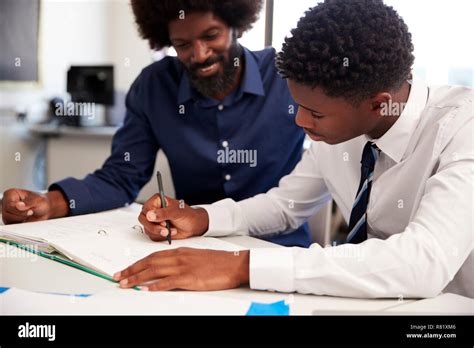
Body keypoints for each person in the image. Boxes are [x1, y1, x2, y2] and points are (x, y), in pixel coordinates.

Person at [113, 0, 473, 299]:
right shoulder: (336, 132)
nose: (300, 121)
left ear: (378, 104)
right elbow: (286, 205)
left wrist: (242, 265)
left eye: (315, 112)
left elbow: (422, 263)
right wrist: (204, 218)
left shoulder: (462, 129)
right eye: (298, 105)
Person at [1, 0, 311, 247]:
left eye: (210, 35)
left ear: (236, 24)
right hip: (190, 247)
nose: (200, 54)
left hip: (278, 250)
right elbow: (121, 177)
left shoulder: (286, 78)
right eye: (182, 44)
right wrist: (49, 202)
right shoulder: (155, 87)